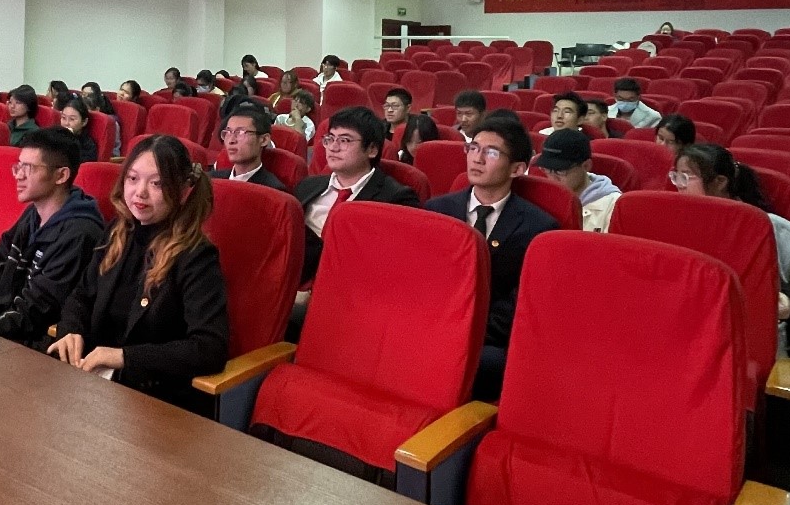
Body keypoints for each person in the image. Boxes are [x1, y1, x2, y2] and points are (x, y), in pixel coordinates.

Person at [49, 135, 229, 410]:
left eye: (157, 184)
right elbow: (82, 295)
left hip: (150, 395)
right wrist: (70, 330)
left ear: (183, 191)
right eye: (132, 179)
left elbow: (209, 348)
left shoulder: (196, 255)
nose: (140, 192)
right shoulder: (119, 231)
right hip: (91, 380)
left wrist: (123, 357)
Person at [423, 116, 558, 400]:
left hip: (488, 339)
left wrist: (465, 332)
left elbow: (520, 303)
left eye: (492, 152)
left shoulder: (538, 227)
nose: (477, 158)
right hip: (431, 323)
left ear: (517, 168)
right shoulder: (436, 210)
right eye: (473, 148)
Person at [0, 128, 105, 347]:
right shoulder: (34, 214)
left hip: (30, 340)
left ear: (61, 175)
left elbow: (36, 311)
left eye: (29, 168)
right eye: (18, 166)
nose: (18, 175)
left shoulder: (80, 234)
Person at [673, 143, 790, 333]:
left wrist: (789, 299)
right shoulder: (675, 222)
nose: (678, 184)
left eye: (686, 176)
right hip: (691, 321)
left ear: (720, 182)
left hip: (751, 331)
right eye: (676, 176)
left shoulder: (768, 226)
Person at [295, 106, 420, 284]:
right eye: (330, 139)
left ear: (372, 149)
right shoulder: (307, 186)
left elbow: (390, 265)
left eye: (344, 140)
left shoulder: (397, 199)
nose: (333, 148)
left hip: (353, 285)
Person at [535, 128, 622, 232]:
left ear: (586, 166)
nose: (553, 178)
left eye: (560, 171)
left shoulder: (613, 205)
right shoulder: (542, 196)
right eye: (546, 169)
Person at [209, 103, 285, 191]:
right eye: (228, 132)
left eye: (241, 132)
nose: (231, 140)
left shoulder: (272, 190)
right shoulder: (212, 180)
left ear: (264, 140)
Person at [81, 82, 120, 156]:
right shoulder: (83, 121)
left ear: (97, 109)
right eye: (82, 94)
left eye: (88, 95)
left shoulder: (111, 123)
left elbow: (112, 152)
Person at [59, 96, 99, 165]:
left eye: (72, 119)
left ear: (84, 122)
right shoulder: (56, 134)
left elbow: (82, 167)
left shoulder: (88, 145)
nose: (66, 123)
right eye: (63, 118)